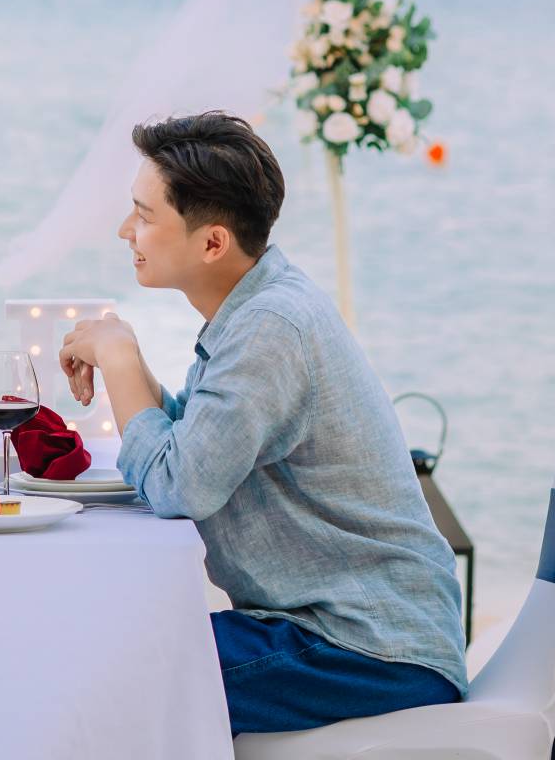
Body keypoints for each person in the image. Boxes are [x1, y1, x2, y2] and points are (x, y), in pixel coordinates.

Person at [58, 112, 466, 735]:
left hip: (367, 649)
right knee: (106, 651)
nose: (124, 230)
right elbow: (195, 443)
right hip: (338, 633)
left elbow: (178, 486)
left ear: (213, 243)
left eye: (144, 215)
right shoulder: (256, 307)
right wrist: (129, 357)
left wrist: (116, 359)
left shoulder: (270, 327)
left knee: (101, 677)